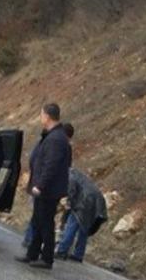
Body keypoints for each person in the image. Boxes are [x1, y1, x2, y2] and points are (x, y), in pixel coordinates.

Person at [16, 103, 72, 269]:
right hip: (47, 188)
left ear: (47, 116)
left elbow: (51, 165)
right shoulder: (52, 136)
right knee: (38, 221)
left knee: (46, 222)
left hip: (48, 190)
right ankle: (32, 253)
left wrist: (40, 185)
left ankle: (47, 258)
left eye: (41, 114)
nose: (40, 117)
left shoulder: (56, 139)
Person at [22, 123, 74, 247]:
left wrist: (38, 182)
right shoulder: (60, 143)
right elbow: (59, 167)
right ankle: (34, 245)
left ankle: (33, 244)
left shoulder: (50, 141)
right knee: (42, 218)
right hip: (46, 186)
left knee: (40, 218)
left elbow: (43, 163)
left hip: (42, 184)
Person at [55, 168, 108, 263]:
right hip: (96, 202)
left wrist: (68, 202)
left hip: (84, 202)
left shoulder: (69, 176)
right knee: (84, 228)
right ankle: (78, 254)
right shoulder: (78, 174)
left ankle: (62, 250)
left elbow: (71, 192)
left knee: (72, 224)